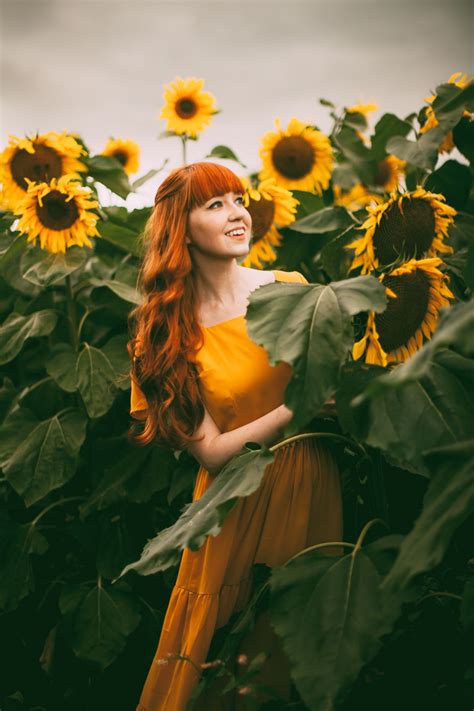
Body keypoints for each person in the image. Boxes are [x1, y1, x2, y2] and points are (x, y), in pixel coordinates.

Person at [128, 161, 343, 710]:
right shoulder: (166, 335)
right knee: (229, 667)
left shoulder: (293, 289)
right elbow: (214, 452)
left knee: (307, 654)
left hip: (316, 484)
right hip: (236, 506)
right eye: (215, 204)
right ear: (180, 226)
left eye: (238, 198)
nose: (237, 213)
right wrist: (300, 407)